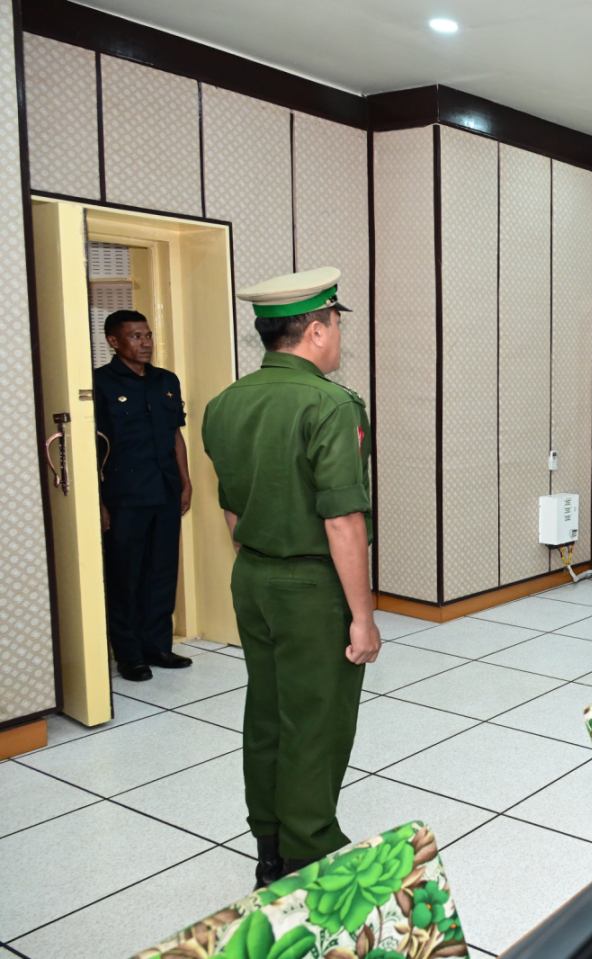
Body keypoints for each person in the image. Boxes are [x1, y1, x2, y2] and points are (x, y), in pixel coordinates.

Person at [202, 267, 379, 888]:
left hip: (253, 577)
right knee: (316, 718)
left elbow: (231, 506)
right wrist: (362, 616)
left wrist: (263, 557)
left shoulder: (226, 402)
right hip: (311, 588)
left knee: (268, 711)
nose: (338, 338)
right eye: (335, 325)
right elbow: (342, 520)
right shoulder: (329, 404)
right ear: (316, 330)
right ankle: (311, 851)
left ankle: (270, 847)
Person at [93, 309, 192, 682]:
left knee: (162, 572)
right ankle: (129, 654)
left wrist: (185, 481)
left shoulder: (166, 380)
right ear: (113, 341)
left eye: (147, 335)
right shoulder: (99, 383)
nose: (145, 342)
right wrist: (98, 502)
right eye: (135, 336)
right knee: (125, 576)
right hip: (124, 497)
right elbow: (92, 446)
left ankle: (158, 646)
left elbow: (175, 435)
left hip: (164, 490)